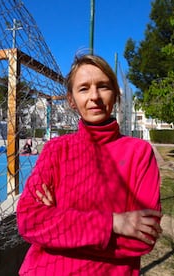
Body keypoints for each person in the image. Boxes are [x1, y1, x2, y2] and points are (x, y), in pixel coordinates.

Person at [16, 54, 162, 275]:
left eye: (103, 86)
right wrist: (112, 223)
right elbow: (29, 221)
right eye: (84, 88)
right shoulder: (55, 150)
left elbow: (143, 239)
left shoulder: (139, 153)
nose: (94, 96)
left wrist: (58, 224)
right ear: (72, 100)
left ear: (115, 94)